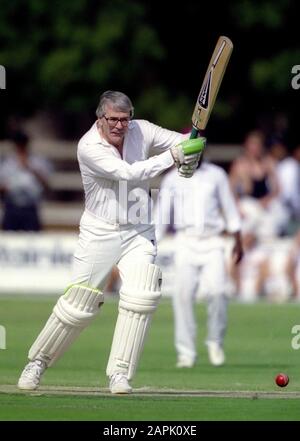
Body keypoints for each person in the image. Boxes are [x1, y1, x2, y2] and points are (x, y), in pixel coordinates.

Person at [17, 90, 205, 394]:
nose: (120, 126)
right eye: (114, 120)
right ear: (100, 118)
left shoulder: (141, 129)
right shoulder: (88, 147)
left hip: (139, 229)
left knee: (142, 293)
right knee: (79, 303)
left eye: (125, 119)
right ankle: (37, 362)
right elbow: (128, 174)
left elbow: (183, 141)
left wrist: (193, 150)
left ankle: (120, 373)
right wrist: (175, 158)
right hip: (99, 230)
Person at [155, 159, 243, 368]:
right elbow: (161, 215)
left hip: (213, 241)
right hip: (185, 241)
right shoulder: (172, 178)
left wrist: (238, 240)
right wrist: (152, 245)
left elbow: (229, 207)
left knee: (219, 292)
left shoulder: (216, 174)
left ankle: (215, 342)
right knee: (183, 296)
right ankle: (186, 352)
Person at [229, 130, 288, 238]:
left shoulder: (268, 163)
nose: (254, 148)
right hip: (247, 204)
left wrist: (268, 199)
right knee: (249, 221)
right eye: (252, 145)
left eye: (257, 145)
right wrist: (237, 207)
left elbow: (278, 188)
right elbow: (230, 190)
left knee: (273, 224)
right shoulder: (239, 165)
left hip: (264, 204)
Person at [0, 131, 52, 231]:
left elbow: (46, 184)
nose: (21, 146)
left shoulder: (37, 161)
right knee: (9, 241)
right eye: (19, 144)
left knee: (33, 241)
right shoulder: (7, 163)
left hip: (30, 208)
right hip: (12, 207)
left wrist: (30, 168)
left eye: (23, 144)